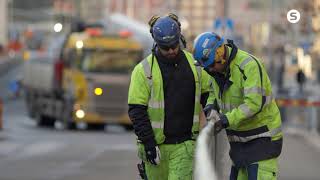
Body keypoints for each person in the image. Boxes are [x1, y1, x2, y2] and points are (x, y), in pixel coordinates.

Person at [128, 14, 210, 180]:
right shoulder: (143, 71)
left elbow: (209, 94)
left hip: (184, 146)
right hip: (155, 147)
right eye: (166, 48)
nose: (171, 50)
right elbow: (137, 110)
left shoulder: (195, 65)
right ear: (156, 43)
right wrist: (149, 144)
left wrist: (212, 111)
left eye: (174, 45)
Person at [192, 32, 283, 180]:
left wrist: (226, 120)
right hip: (239, 144)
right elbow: (213, 94)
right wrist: (210, 107)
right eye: (206, 68)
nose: (210, 70)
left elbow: (253, 104)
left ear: (221, 53)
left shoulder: (249, 66)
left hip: (262, 140)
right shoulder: (215, 70)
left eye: (211, 65)